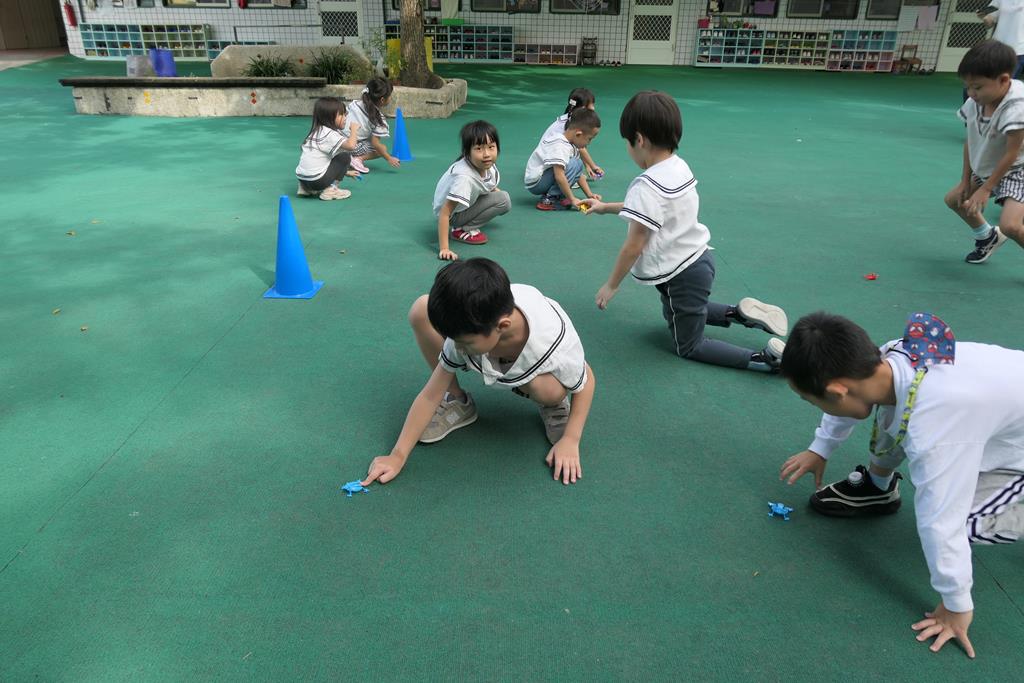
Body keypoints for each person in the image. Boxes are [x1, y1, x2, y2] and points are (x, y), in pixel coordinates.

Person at [779, 311, 1024, 659]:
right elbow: (853, 401)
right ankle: (878, 488)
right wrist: (821, 447)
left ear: (836, 391)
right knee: (894, 408)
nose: (813, 403)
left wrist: (956, 604)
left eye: (810, 399)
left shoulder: (936, 427)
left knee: (967, 521)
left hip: (999, 438)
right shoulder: (889, 359)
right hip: (997, 417)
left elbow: (941, 518)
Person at [581, 91, 788, 371]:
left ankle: (764, 361)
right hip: (696, 260)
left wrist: (612, 285)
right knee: (679, 310)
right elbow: (648, 210)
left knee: (688, 345)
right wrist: (605, 207)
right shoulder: (678, 166)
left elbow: (634, 245)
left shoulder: (646, 186)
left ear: (639, 140)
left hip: (682, 273)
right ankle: (739, 314)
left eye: (627, 143)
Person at [362, 258, 595, 487]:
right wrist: (397, 455)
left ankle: (554, 405)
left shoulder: (553, 343)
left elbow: (586, 380)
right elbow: (431, 394)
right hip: (496, 350)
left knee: (548, 390)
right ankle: (458, 401)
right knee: (420, 309)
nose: (456, 347)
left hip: (538, 371)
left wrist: (571, 439)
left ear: (502, 326)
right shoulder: (469, 328)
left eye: (464, 342)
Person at [946, 39, 1024, 264]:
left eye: (977, 87)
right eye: (967, 86)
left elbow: (1012, 153)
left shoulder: (1016, 108)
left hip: (1018, 169)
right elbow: (971, 141)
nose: (971, 93)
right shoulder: (976, 101)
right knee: (955, 199)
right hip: (991, 165)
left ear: (1004, 80)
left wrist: (986, 188)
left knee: (1011, 225)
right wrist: (965, 181)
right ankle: (988, 236)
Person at [432, 120, 511, 260]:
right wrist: (444, 248)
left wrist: (497, 203)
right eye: (479, 148)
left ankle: (465, 223)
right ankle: (461, 229)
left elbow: (489, 185)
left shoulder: (485, 164)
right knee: (503, 199)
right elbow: (445, 212)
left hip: (463, 207)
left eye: (491, 147)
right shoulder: (464, 178)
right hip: (452, 215)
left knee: (504, 201)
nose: (486, 154)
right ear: (467, 152)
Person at [524, 108, 602, 211]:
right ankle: (550, 199)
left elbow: (579, 175)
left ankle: (557, 196)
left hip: (543, 178)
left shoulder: (569, 144)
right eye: (589, 139)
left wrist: (589, 195)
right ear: (578, 134)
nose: (589, 143)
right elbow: (559, 175)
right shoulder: (560, 145)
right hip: (537, 183)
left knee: (577, 164)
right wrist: (572, 199)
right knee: (574, 163)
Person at [294, 97, 357, 201]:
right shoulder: (330, 134)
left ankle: (306, 189)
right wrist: (354, 130)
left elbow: (321, 161)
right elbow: (351, 146)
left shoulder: (316, 131)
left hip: (303, 179)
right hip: (317, 181)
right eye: (341, 114)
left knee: (336, 156)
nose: (345, 117)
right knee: (344, 156)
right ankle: (331, 190)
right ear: (329, 117)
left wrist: (346, 172)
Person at [543, 88, 604, 180]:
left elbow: (580, 145)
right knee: (574, 161)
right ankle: (566, 177)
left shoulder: (573, 118)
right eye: (591, 104)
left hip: (550, 159)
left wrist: (587, 166)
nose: (593, 108)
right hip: (547, 163)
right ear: (582, 108)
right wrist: (593, 166)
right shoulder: (570, 124)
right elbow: (581, 149)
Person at [346, 77, 401, 173]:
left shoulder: (355, 104)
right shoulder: (378, 119)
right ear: (382, 100)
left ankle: (344, 156)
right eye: (390, 95)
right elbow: (376, 145)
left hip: (338, 141)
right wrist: (389, 158)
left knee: (368, 136)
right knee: (382, 148)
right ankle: (358, 159)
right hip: (350, 146)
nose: (390, 98)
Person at [979, 1, 1024, 78]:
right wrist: (984, 16)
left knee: (1007, 80)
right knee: (990, 77)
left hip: (1019, 49)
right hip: (997, 47)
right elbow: (989, 23)